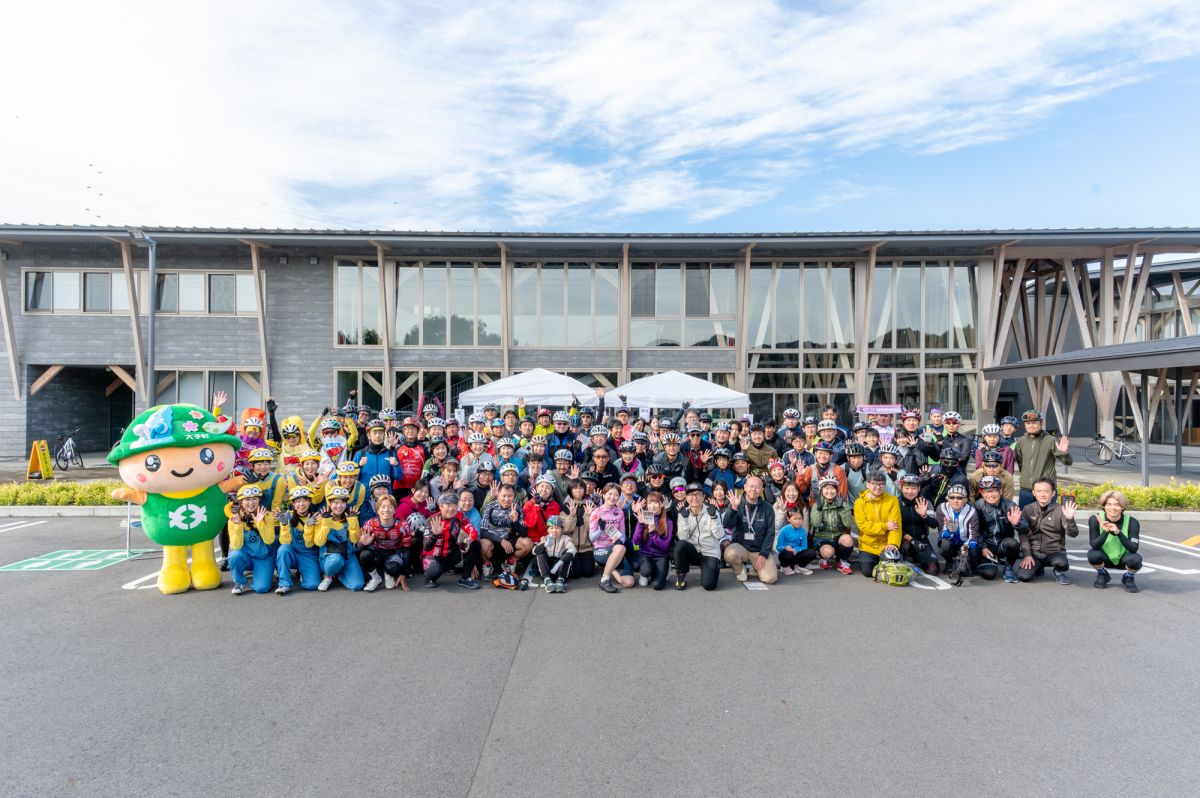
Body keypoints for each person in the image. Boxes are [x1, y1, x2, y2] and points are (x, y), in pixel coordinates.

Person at [1016, 479, 1079, 584]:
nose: (1042, 494)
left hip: (1055, 552)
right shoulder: (1028, 509)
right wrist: (1027, 554)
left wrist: (1069, 519)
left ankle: (1059, 572)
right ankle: (1038, 567)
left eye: (1046, 491)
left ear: (1053, 493)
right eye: (1039, 491)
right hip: (1034, 552)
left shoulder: (1061, 510)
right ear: (1033, 493)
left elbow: (1073, 534)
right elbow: (1024, 535)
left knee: (1061, 563)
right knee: (1024, 576)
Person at [421, 491, 483, 590]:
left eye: (454, 505)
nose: (451, 509)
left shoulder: (460, 516)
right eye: (448, 505)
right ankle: (429, 576)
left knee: (475, 544)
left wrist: (469, 540)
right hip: (434, 556)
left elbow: (473, 532)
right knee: (434, 572)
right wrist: (434, 535)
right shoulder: (431, 520)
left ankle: (465, 578)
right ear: (441, 507)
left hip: (451, 555)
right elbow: (426, 547)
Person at [358, 494, 418, 592]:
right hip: (377, 552)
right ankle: (375, 578)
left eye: (390, 507)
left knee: (392, 569)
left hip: (394, 553)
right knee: (364, 555)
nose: (386, 510)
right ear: (377, 510)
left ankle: (388, 572)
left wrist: (403, 574)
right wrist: (363, 544)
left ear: (395, 510)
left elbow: (407, 550)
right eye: (383, 507)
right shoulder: (370, 524)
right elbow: (359, 549)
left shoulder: (403, 525)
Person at [725, 475, 778, 585]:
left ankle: (755, 568)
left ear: (762, 490)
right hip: (741, 547)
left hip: (759, 550)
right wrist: (733, 509)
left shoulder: (767, 507)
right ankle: (740, 570)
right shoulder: (737, 503)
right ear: (745, 487)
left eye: (758, 487)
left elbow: (770, 533)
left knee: (770, 579)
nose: (754, 489)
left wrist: (763, 555)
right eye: (751, 486)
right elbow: (727, 524)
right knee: (729, 553)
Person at [1012, 410, 1071, 507]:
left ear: (1041, 423)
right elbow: (1020, 463)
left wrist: (1063, 453)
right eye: (1028, 423)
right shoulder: (1021, 441)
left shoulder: (1050, 440)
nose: (1031, 426)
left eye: (1034, 423)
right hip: (1026, 489)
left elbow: (1068, 462)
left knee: (1048, 519)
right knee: (1026, 519)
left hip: (1046, 488)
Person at [1087, 489, 1142, 593]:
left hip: (1123, 559)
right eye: (1109, 504)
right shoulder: (1095, 519)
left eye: (1117, 504)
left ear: (1122, 507)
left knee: (1136, 559)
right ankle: (1102, 574)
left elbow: (1134, 548)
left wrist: (1118, 532)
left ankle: (1128, 578)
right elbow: (1094, 545)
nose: (1113, 508)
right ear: (1104, 506)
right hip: (1105, 557)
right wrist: (1106, 531)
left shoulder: (1133, 522)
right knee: (1092, 555)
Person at [674, 482, 727, 591]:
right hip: (693, 552)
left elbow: (719, 535)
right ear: (686, 497)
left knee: (709, 585)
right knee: (680, 545)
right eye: (691, 494)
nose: (695, 497)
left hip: (710, 552)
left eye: (698, 494)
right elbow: (683, 537)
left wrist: (713, 517)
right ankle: (681, 575)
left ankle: (709, 569)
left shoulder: (712, 510)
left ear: (703, 496)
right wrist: (684, 519)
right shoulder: (683, 512)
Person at [227, 484, 278, 595]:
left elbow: (269, 540)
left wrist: (260, 523)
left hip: (263, 557)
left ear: (259, 500)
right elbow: (236, 546)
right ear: (241, 502)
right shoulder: (234, 519)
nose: (251, 503)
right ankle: (239, 582)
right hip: (246, 556)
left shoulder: (268, 516)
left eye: (254, 499)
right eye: (247, 499)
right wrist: (238, 526)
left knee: (262, 588)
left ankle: (269, 570)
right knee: (234, 556)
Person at [974, 475, 1025, 583]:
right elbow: (974, 530)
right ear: (981, 492)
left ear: (1000, 491)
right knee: (989, 574)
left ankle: (1008, 567)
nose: (990, 495)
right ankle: (985, 561)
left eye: (993, 491)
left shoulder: (1010, 505)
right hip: (986, 546)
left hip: (1003, 545)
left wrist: (1017, 524)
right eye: (986, 492)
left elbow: (1026, 528)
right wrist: (982, 547)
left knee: (1013, 543)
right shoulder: (977, 506)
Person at [313, 486, 365, 591]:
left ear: (346, 503)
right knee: (336, 560)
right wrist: (326, 522)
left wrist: (353, 521)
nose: (339, 506)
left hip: (348, 556)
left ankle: (337, 574)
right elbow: (319, 542)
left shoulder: (351, 516)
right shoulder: (322, 518)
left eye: (342, 502)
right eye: (335, 502)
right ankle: (328, 576)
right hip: (329, 558)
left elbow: (355, 540)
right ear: (330, 503)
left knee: (357, 585)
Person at [853, 471, 902, 577]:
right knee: (868, 571)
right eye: (874, 483)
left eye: (881, 484)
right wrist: (885, 526)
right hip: (868, 545)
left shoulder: (892, 500)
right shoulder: (859, 502)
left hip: (886, 544)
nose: (878, 487)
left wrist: (893, 544)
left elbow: (895, 525)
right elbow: (863, 526)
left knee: (894, 569)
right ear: (867, 484)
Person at [275, 485, 323, 595]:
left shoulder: (316, 518)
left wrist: (309, 526)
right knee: (283, 549)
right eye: (298, 501)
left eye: (304, 501)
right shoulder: (287, 516)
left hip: (308, 554)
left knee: (312, 585)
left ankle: (302, 572)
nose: (301, 504)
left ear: (310, 501)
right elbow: (285, 541)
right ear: (293, 503)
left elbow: (310, 543)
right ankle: (283, 583)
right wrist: (284, 524)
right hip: (292, 552)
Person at [590, 483, 635, 593]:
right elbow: (591, 538)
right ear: (604, 495)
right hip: (601, 549)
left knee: (629, 582)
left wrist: (620, 540)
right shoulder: (596, 512)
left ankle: (609, 568)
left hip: (616, 549)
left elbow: (623, 534)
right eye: (609, 494)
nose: (612, 497)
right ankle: (605, 579)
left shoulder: (619, 512)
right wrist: (600, 530)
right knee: (621, 548)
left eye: (616, 495)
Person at [808, 476, 856, 574]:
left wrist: (841, 508)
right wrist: (819, 508)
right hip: (822, 537)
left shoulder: (842, 504)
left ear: (836, 490)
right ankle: (823, 557)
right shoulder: (816, 505)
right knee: (828, 552)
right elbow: (815, 523)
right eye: (826, 488)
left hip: (838, 536)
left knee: (848, 539)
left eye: (832, 488)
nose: (830, 491)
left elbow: (848, 523)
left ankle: (842, 561)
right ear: (821, 490)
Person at [935, 484, 981, 577]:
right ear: (947, 498)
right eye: (952, 497)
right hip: (951, 543)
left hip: (965, 543)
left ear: (965, 499)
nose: (955, 500)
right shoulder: (942, 508)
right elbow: (940, 532)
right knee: (944, 544)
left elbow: (974, 534)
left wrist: (966, 547)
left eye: (959, 498)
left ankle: (971, 563)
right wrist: (949, 532)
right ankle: (949, 562)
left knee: (966, 570)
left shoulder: (972, 511)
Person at [897, 474, 939, 574]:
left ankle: (918, 557)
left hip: (922, 540)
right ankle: (908, 556)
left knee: (933, 570)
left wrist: (924, 516)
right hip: (903, 541)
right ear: (901, 488)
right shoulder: (895, 503)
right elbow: (894, 527)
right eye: (907, 488)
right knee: (907, 549)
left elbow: (934, 524)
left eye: (913, 488)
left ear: (919, 488)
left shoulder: (925, 502)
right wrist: (911, 540)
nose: (910, 491)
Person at [632, 492, 673, 590]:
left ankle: (665, 569)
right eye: (649, 503)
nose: (652, 506)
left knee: (657, 586)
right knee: (646, 572)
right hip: (645, 555)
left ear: (661, 504)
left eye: (655, 503)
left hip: (661, 556)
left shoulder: (668, 522)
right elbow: (636, 541)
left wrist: (653, 533)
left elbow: (665, 546)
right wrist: (640, 524)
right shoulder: (644, 517)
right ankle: (645, 574)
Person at [533, 515, 575, 593]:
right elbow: (534, 551)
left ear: (562, 530)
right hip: (548, 570)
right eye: (551, 528)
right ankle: (547, 580)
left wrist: (560, 562)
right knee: (540, 552)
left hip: (560, 569)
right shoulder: (545, 538)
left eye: (557, 528)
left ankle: (561, 580)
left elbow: (573, 550)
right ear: (547, 530)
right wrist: (545, 544)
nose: (554, 531)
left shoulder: (566, 538)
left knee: (568, 552)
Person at [775, 505, 814, 575]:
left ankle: (799, 566)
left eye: (800, 519)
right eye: (795, 519)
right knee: (788, 553)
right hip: (786, 554)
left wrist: (796, 549)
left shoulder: (802, 531)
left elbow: (804, 547)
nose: (798, 521)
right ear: (789, 519)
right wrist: (785, 548)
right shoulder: (783, 530)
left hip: (796, 553)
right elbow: (778, 547)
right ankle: (784, 566)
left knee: (812, 553)